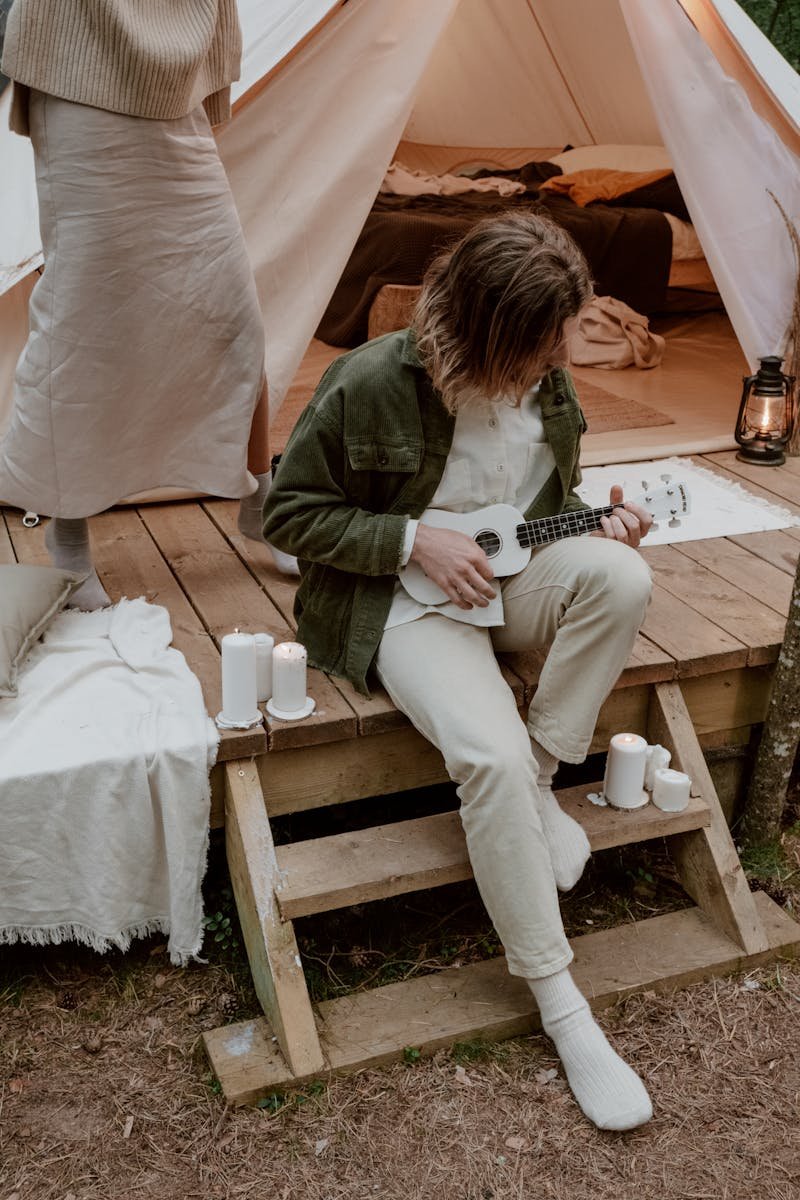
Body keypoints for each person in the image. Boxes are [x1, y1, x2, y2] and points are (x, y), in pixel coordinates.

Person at [263, 211, 656, 1131]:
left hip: (505, 580)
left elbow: (534, 514)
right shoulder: (369, 381)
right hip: (398, 599)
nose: (561, 360)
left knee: (622, 577)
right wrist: (410, 540)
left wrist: (593, 522)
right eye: (544, 343)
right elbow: (289, 515)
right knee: (483, 755)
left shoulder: (550, 390)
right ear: (489, 330)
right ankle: (565, 1010)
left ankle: (545, 782)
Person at [0, 0, 295, 611]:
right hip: (82, 82)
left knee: (231, 313)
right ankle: (69, 528)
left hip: (173, 92)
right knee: (86, 322)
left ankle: (260, 497)